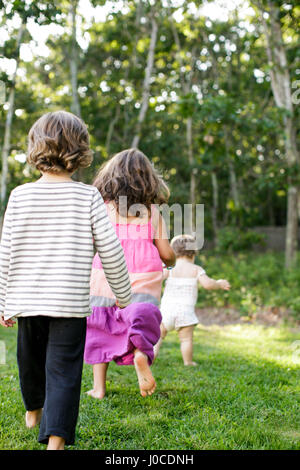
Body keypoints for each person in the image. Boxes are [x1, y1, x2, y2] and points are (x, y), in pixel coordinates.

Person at [0, 111, 132, 450]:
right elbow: (111, 251)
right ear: (80, 151)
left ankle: (35, 413)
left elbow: (6, 254)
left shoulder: (19, 196)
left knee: (29, 360)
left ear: (35, 149)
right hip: (69, 304)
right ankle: (53, 436)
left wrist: (4, 301)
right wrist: (123, 294)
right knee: (63, 371)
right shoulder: (87, 197)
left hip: (28, 299)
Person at [84, 148, 176, 399]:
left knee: (99, 328)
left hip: (106, 274)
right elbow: (166, 253)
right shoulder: (152, 213)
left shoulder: (102, 209)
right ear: (148, 180)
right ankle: (140, 354)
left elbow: (91, 241)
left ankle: (99, 388)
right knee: (141, 321)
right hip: (143, 278)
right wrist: (171, 262)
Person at [154, 234, 230, 366]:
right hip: (185, 312)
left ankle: (150, 358)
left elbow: (157, 278)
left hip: (167, 310)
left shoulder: (170, 267)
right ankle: (188, 362)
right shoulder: (196, 269)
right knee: (186, 339)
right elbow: (208, 284)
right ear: (194, 254)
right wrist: (219, 283)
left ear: (173, 252)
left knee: (158, 337)